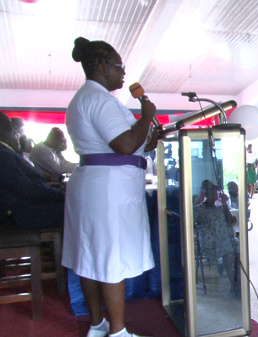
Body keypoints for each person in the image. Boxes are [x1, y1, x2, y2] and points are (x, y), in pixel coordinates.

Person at [61, 37, 158, 337]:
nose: (124, 73)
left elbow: (136, 141)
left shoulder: (84, 98)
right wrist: (147, 116)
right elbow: (125, 144)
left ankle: (97, 324)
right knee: (110, 260)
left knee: (90, 258)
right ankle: (117, 332)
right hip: (107, 191)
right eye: (120, 67)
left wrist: (149, 133)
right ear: (101, 67)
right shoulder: (99, 100)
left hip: (95, 186)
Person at [0, 111, 65, 229]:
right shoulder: (3, 155)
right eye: (14, 130)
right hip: (24, 214)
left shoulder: (7, 152)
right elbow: (28, 189)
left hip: (27, 206)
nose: (18, 136)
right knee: (81, 208)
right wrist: (62, 195)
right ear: (5, 130)